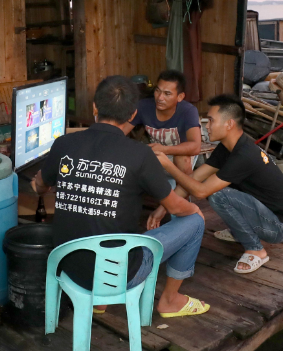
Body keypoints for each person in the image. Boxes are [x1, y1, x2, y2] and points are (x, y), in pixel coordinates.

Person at [33, 75, 210, 317]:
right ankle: (169, 301)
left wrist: (41, 186)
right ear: (131, 115)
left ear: (95, 107)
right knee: (195, 221)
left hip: (67, 269)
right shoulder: (139, 155)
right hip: (119, 274)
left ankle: (97, 301)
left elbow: (40, 185)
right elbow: (178, 209)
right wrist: (194, 212)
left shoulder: (63, 144)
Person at [154, 94, 283, 275]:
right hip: (262, 213)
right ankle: (240, 231)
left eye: (211, 120)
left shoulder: (244, 155)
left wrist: (168, 164)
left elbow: (200, 191)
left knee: (218, 194)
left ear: (229, 124)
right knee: (219, 191)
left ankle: (255, 249)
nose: (206, 126)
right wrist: (162, 209)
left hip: (278, 227)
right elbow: (195, 178)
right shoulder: (226, 147)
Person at [131, 70, 203, 175]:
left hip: (178, 153)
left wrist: (164, 149)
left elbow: (195, 146)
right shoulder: (144, 106)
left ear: (180, 97)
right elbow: (120, 131)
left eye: (167, 93)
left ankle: (185, 190)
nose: (160, 98)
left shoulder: (188, 111)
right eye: (157, 91)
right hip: (155, 154)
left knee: (182, 159)